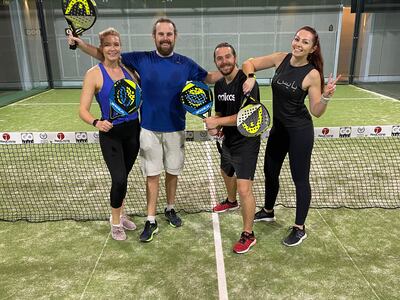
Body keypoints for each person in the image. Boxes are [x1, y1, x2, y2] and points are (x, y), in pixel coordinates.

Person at [69, 18, 222, 242]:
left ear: (175, 36)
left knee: (172, 172)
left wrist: (235, 71)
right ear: (154, 37)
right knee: (152, 175)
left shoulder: (186, 64)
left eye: (169, 34)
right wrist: (80, 44)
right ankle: (150, 219)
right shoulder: (140, 59)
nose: (165, 38)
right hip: (148, 129)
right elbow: (106, 55)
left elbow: (208, 77)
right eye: (161, 34)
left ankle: (170, 208)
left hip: (176, 128)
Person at [242, 26, 341, 247]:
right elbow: (249, 62)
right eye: (297, 39)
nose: (298, 44)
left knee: (300, 179)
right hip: (278, 131)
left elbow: (316, 111)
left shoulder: (312, 74)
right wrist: (250, 77)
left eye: (305, 42)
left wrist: (325, 96)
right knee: (270, 171)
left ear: (312, 48)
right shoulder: (281, 58)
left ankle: (299, 227)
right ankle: (268, 211)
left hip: (300, 133)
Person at [79, 28, 140, 241]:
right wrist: (97, 122)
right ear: (102, 48)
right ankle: (115, 222)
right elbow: (83, 110)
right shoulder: (94, 74)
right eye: (108, 45)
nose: (113, 48)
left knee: (124, 177)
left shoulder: (129, 71)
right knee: (119, 178)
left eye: (116, 44)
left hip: (133, 131)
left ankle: (121, 214)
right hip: (111, 134)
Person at [204, 42, 261, 254]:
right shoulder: (219, 85)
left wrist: (218, 122)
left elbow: (245, 116)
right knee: (225, 171)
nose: (224, 61)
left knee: (245, 188)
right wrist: (214, 124)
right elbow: (220, 113)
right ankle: (230, 201)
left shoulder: (247, 83)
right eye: (220, 58)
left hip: (246, 142)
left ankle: (248, 234)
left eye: (228, 57)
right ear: (215, 62)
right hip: (228, 140)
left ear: (235, 58)